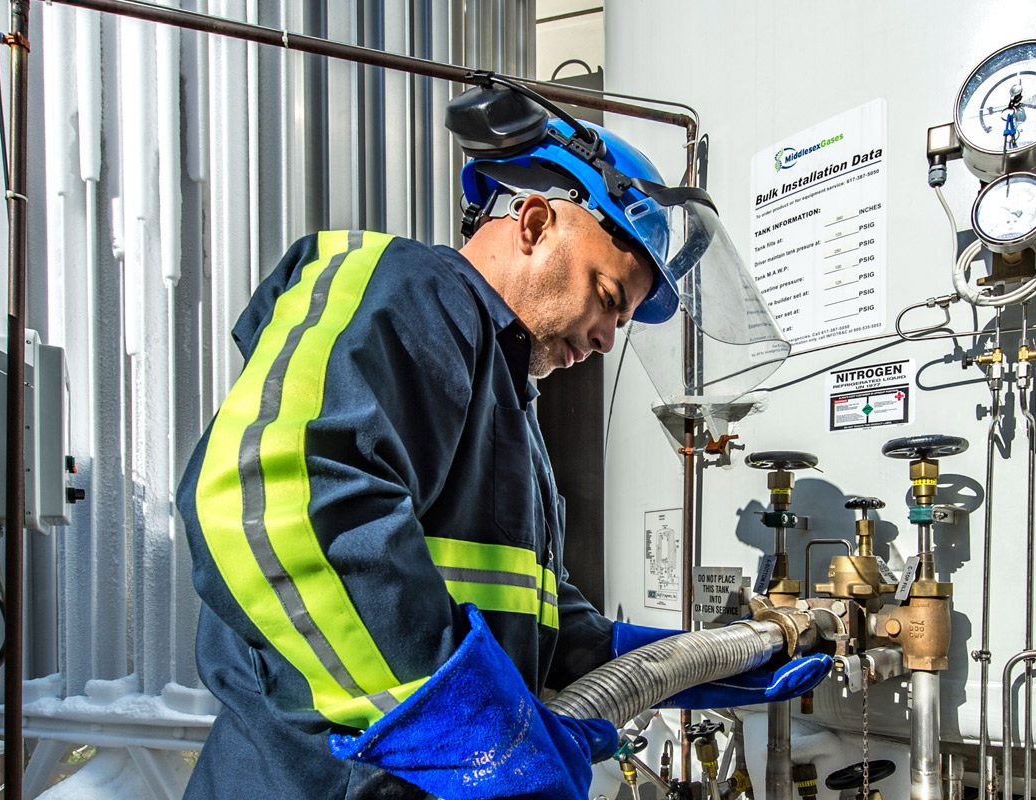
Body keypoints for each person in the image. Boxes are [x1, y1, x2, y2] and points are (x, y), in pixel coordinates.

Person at [176, 85, 829, 800]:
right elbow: (278, 496)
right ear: (536, 222)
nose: (608, 339)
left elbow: (514, 610)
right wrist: (470, 731)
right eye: (609, 298)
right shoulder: (407, 287)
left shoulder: (507, 397)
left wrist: (673, 660)